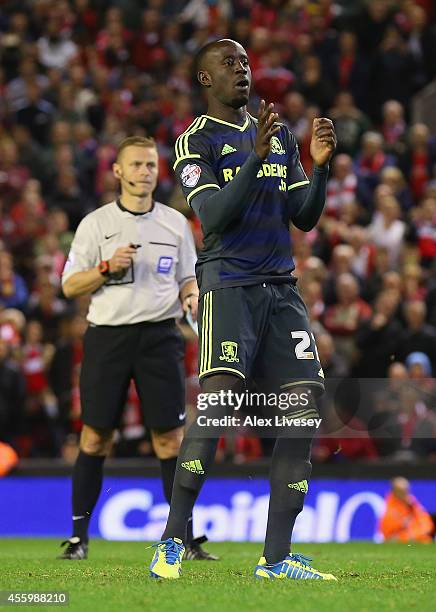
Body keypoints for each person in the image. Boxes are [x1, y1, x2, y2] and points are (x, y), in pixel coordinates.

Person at [149, 39, 337, 581]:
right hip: (229, 284)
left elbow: (302, 217)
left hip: (281, 289)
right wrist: (253, 158)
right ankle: (172, 539)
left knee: (303, 408)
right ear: (205, 79)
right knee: (221, 404)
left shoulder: (276, 134)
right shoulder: (196, 140)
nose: (243, 70)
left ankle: (276, 558)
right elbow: (213, 216)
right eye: (229, 64)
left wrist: (318, 169)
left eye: (246, 62)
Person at [58, 136, 216, 561]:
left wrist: (190, 295)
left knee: (170, 439)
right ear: (118, 172)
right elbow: (69, 285)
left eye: (151, 165)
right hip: (108, 336)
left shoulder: (174, 223)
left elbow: (189, 276)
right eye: (137, 165)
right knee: (95, 437)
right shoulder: (96, 223)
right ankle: (78, 538)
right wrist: (107, 268)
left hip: (160, 337)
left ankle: (183, 536)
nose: (145, 172)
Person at [379, 477, 434, 543]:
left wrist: (416, 533)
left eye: (406, 490)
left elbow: (427, 523)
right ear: (394, 492)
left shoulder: (412, 503)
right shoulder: (389, 508)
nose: (405, 494)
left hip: (418, 538)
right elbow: (388, 534)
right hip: (401, 541)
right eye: (401, 491)